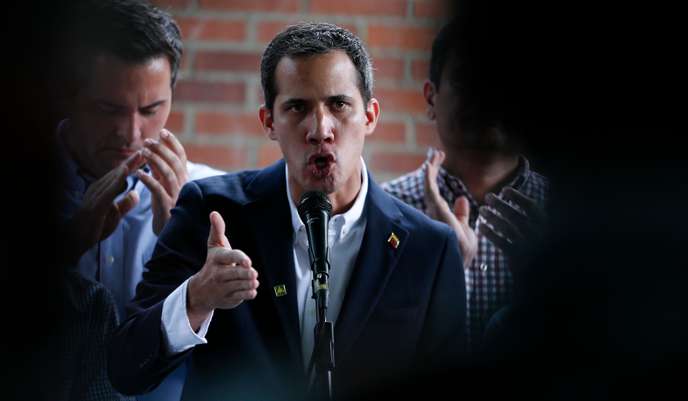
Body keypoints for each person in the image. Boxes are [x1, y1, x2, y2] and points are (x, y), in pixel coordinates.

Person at [108, 22, 465, 401]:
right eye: (297, 107)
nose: (320, 129)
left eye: (339, 105)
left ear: (370, 116)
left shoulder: (430, 248)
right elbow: (125, 369)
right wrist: (194, 300)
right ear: (269, 122)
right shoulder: (210, 211)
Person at [55, 1, 223, 400]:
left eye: (151, 109)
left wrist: (181, 244)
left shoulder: (213, 198)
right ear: (67, 96)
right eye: (108, 109)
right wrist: (60, 251)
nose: (131, 133)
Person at [382, 19, 549, 351]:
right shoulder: (385, 210)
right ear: (431, 98)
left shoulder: (567, 211)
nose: (487, 95)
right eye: (467, 79)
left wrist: (549, 278)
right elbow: (364, 354)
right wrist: (440, 275)